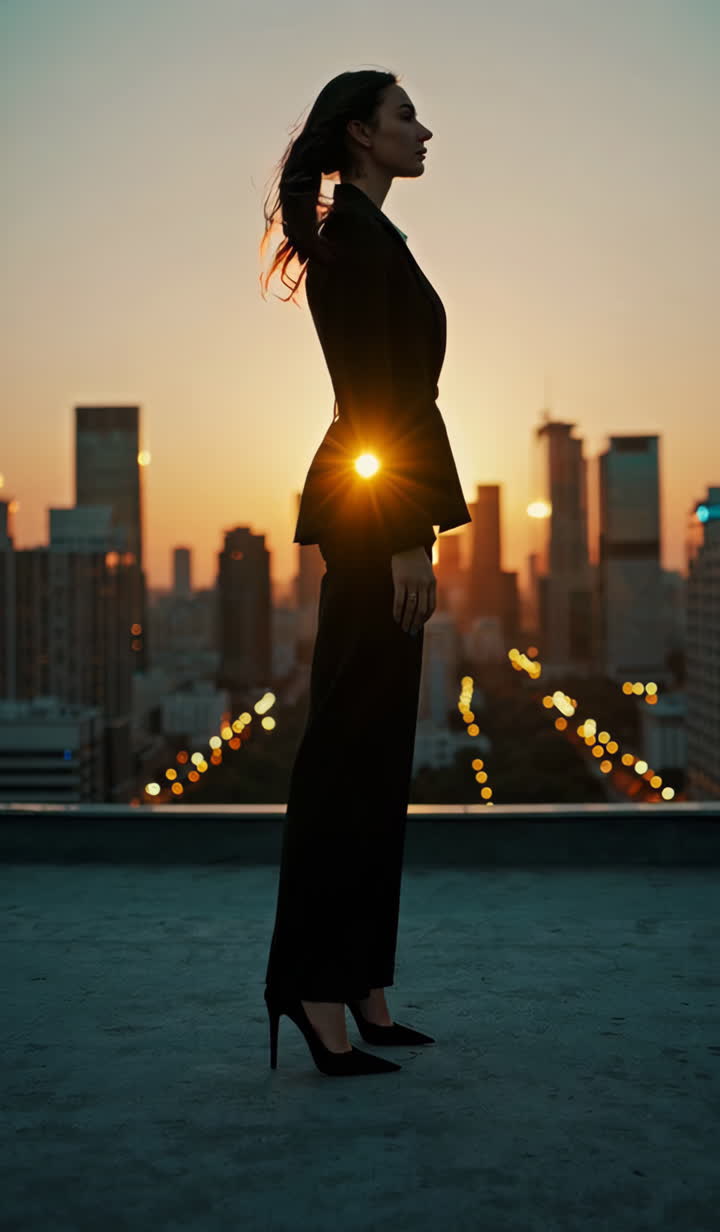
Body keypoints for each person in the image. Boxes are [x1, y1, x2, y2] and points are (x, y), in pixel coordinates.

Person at [259, 69, 472, 1076]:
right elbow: (379, 397)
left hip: (379, 511)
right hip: (371, 518)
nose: (424, 131)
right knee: (346, 755)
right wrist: (406, 536)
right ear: (361, 133)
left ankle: (365, 987)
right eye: (405, 116)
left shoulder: (370, 235)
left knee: (379, 759)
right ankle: (313, 987)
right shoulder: (351, 242)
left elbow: (400, 394)